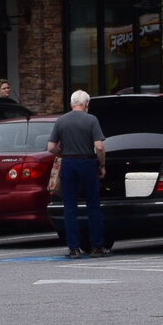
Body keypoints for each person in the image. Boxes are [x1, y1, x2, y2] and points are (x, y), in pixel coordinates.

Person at [48, 90, 109, 258]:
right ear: (87, 104)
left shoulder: (61, 121)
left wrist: (63, 153)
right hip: (88, 163)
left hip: (68, 163)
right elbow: (99, 147)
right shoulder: (92, 120)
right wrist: (101, 164)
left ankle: (73, 248)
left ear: (71, 104)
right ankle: (97, 247)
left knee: (70, 207)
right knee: (93, 205)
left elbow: (51, 147)